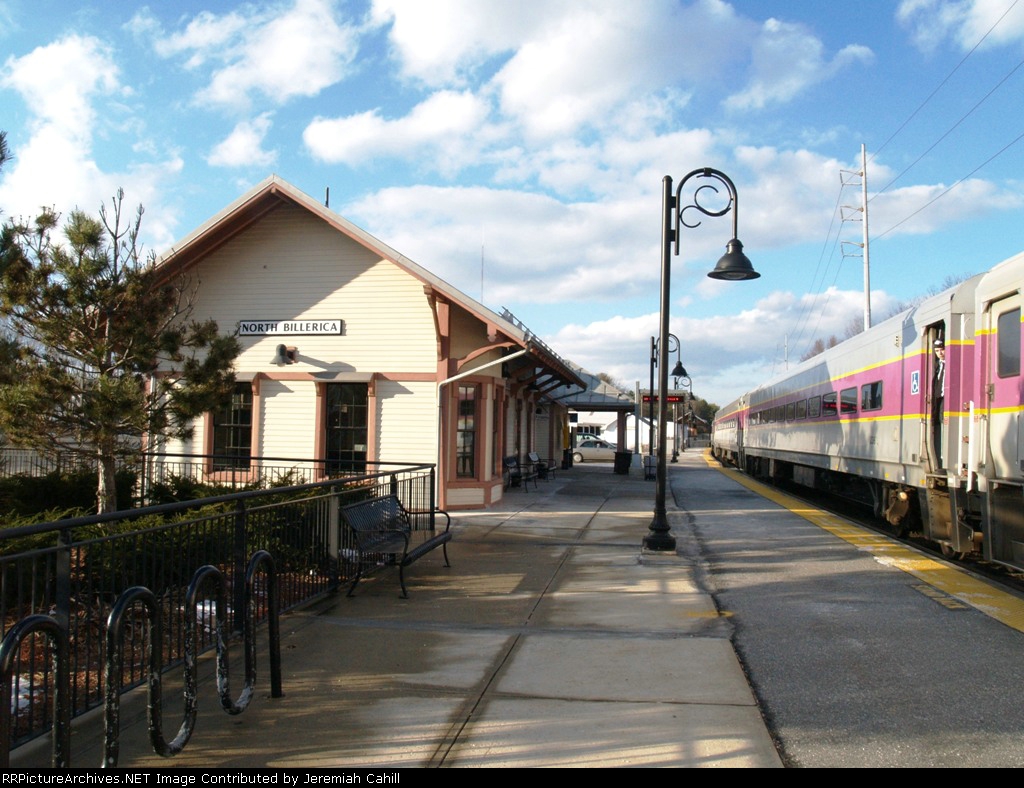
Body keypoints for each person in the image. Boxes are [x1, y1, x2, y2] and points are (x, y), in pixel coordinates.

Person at [933, 339, 945, 468]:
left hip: (946, 398)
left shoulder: (951, 363)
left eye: (942, 349)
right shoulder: (937, 366)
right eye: (937, 351)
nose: (940, 353)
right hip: (938, 399)